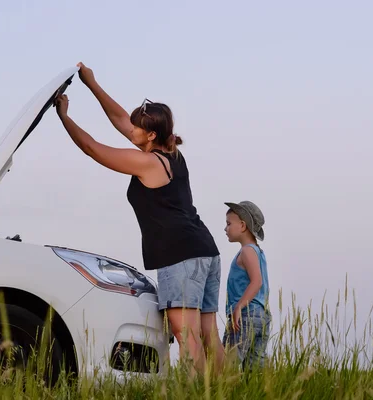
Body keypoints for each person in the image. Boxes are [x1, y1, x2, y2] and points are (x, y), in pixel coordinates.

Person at [54, 62, 225, 376]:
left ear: (150, 135)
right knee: (207, 334)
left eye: (136, 129)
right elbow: (120, 119)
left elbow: (92, 148)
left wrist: (64, 117)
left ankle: (200, 395)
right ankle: (232, 391)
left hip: (181, 254)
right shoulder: (172, 152)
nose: (129, 130)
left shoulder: (147, 163)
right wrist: (92, 83)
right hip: (205, 250)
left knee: (186, 337)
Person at [222, 201, 271, 370]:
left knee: (229, 362)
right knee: (254, 366)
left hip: (246, 314)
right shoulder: (258, 251)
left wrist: (239, 306)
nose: (225, 228)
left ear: (242, 226)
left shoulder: (247, 251)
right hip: (262, 316)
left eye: (229, 223)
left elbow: (256, 281)